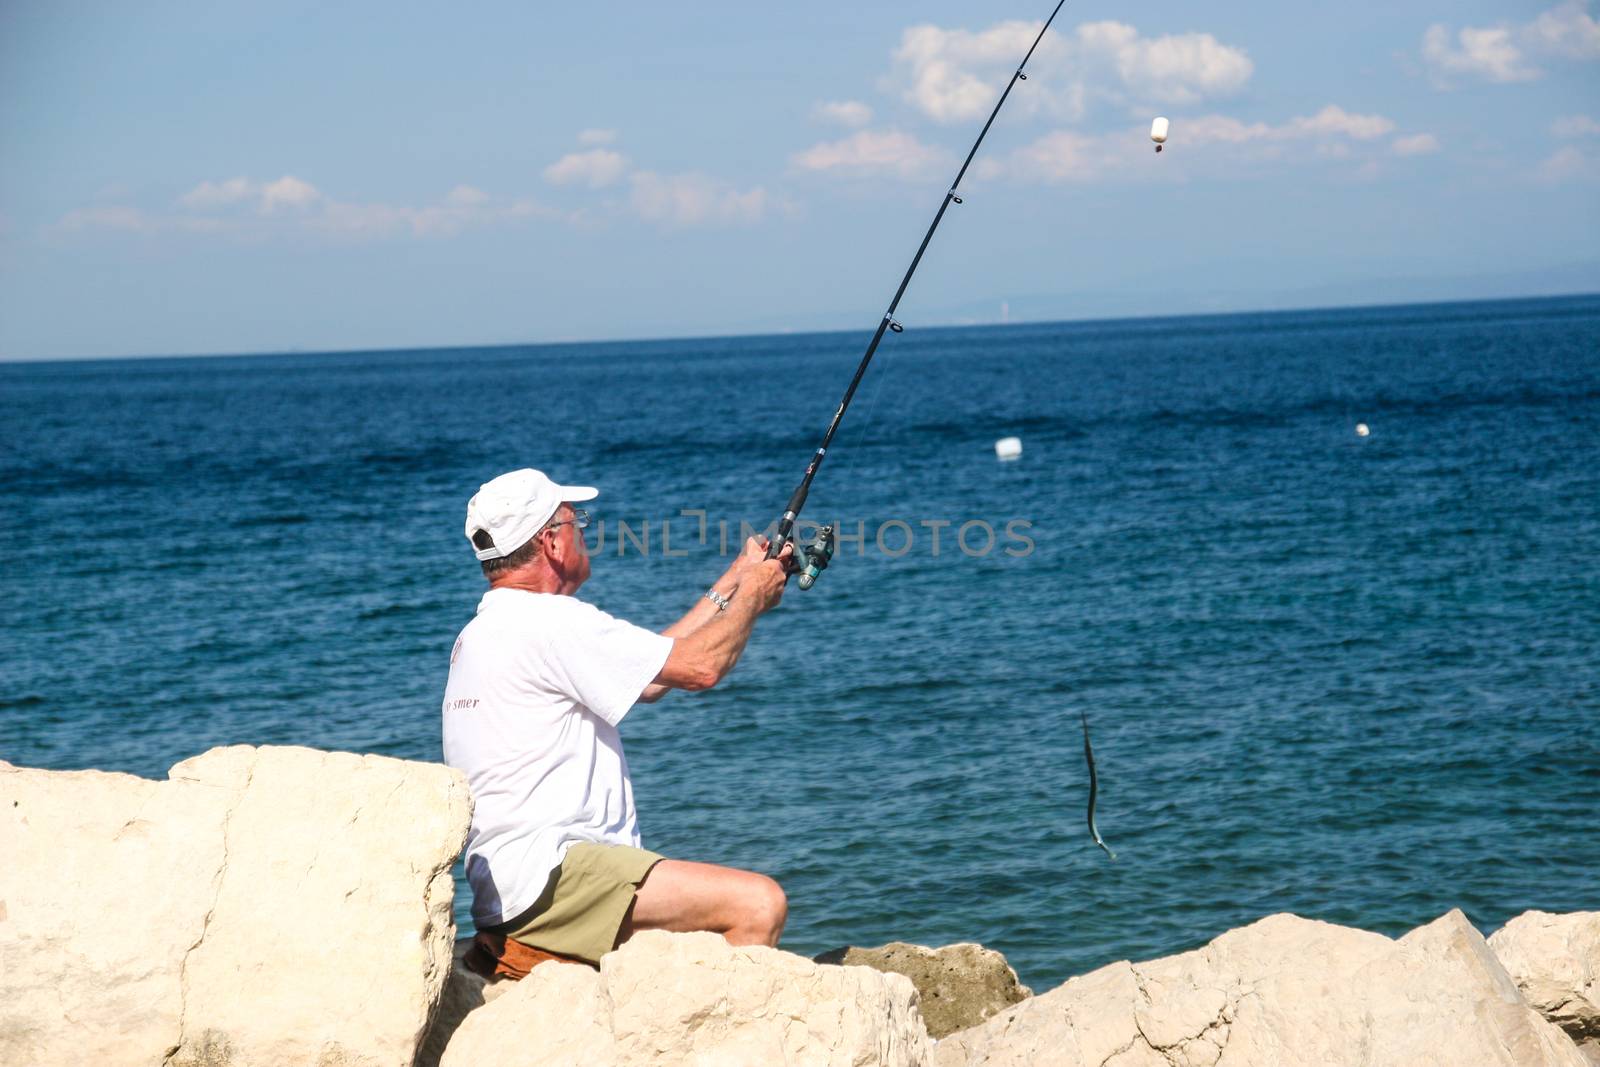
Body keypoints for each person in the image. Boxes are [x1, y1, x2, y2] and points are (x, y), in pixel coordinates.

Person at [441, 467, 792, 970]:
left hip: (511, 886)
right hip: (554, 876)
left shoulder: (483, 632)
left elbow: (649, 674)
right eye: (574, 520)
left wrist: (734, 581)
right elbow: (701, 668)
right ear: (552, 543)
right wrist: (755, 596)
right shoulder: (551, 622)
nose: (583, 530)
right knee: (758, 905)